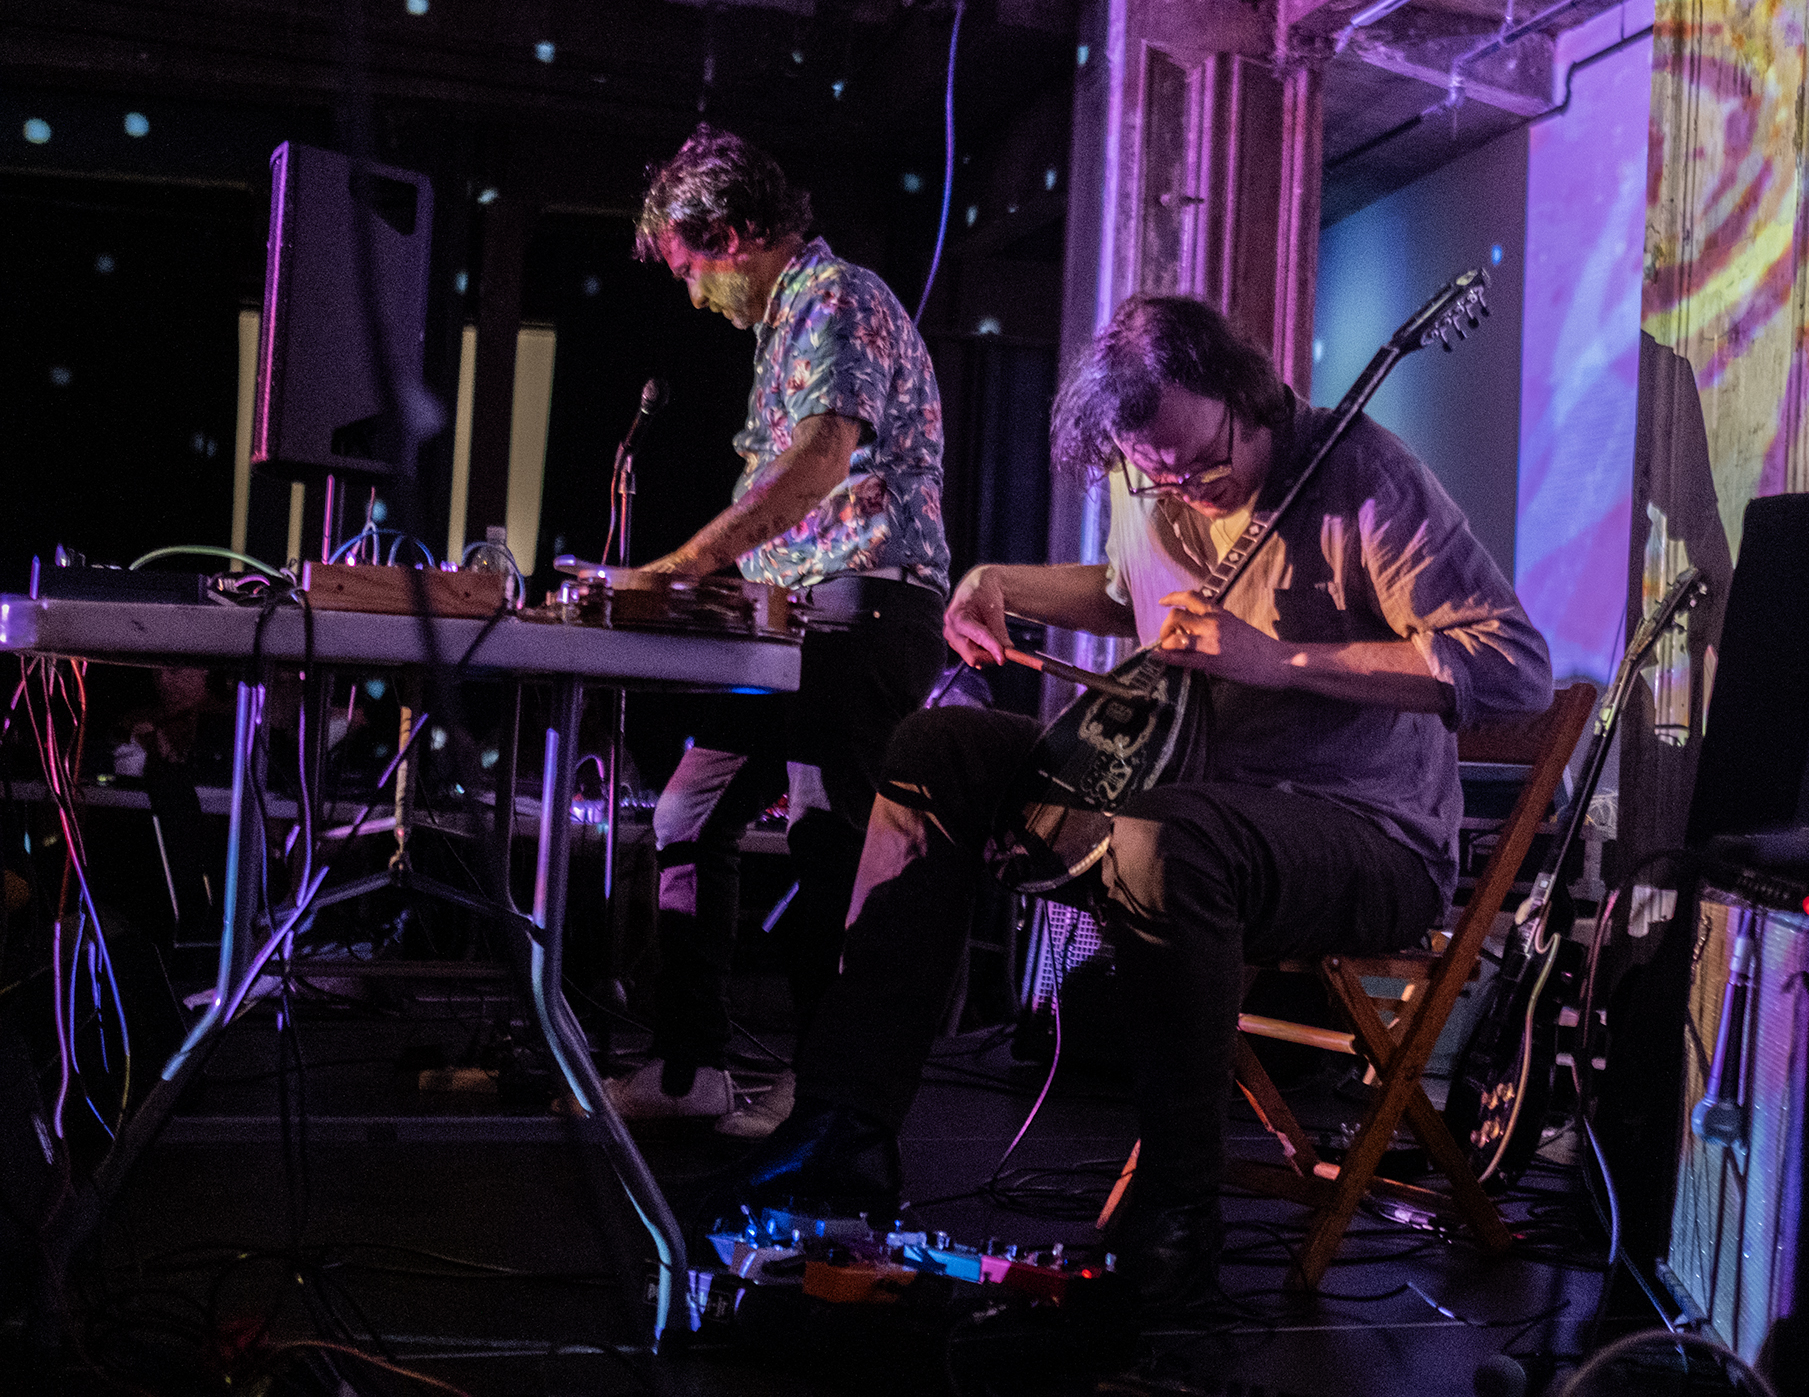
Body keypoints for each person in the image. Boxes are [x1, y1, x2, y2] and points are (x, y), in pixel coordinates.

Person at [700, 293, 1553, 1307]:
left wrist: (1278, 660)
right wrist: (999, 581)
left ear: (1246, 391)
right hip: (1182, 800)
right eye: (1157, 476)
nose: (1184, 490)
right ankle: (843, 1134)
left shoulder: (1363, 475)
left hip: (1364, 836)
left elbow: (1513, 668)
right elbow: (1124, 589)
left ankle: (1177, 1215)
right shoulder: (1148, 467)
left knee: (1163, 840)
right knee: (936, 751)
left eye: (1202, 464)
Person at [603, 125, 951, 1135]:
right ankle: (689, 1073)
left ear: (733, 234)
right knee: (687, 813)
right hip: (799, 616)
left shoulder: (836, 298)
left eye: (691, 269)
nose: (693, 296)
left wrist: (681, 568)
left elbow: (818, 462)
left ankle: (827, 1090)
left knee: (823, 835)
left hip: (862, 607)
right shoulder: (789, 323)